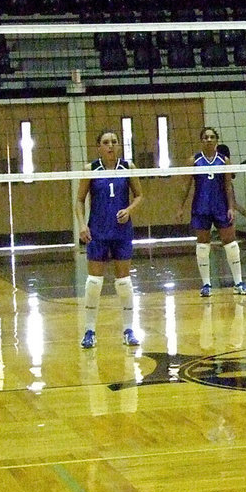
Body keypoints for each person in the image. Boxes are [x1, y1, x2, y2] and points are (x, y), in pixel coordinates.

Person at [75, 130, 143, 348]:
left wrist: (129, 209)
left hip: (122, 232)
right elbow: (79, 200)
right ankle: (89, 331)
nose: (111, 145)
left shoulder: (128, 167)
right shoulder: (91, 169)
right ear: (99, 147)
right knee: (94, 283)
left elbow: (140, 195)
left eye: (114, 142)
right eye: (106, 142)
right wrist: (82, 225)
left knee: (123, 282)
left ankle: (129, 330)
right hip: (98, 231)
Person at [177, 127, 246, 297]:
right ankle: (206, 285)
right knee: (203, 244)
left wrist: (231, 207)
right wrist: (180, 207)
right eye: (205, 137)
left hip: (220, 207)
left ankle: (238, 282)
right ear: (201, 141)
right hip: (201, 207)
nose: (209, 140)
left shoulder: (224, 161)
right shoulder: (194, 161)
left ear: (216, 140)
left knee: (230, 243)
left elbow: (228, 186)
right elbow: (185, 186)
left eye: (212, 137)